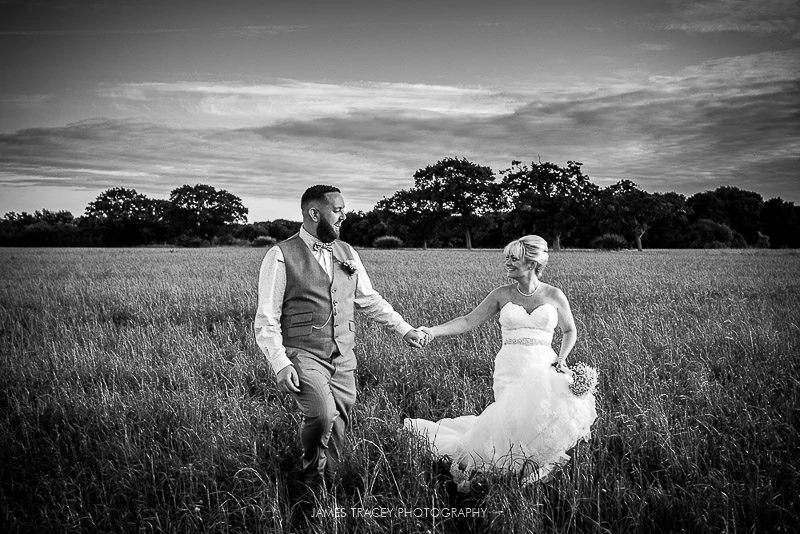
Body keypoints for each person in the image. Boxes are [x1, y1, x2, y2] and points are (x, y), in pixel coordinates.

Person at [254, 185, 427, 492]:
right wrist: (280, 363)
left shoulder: (348, 253)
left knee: (339, 424)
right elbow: (266, 319)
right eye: (338, 210)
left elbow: (369, 299)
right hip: (303, 354)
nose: (344, 215)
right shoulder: (280, 255)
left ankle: (327, 488)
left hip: (344, 355)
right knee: (321, 413)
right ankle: (310, 479)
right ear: (314, 213)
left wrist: (405, 329)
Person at [404, 235, 597, 491]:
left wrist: (562, 358)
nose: (507, 262)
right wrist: (431, 331)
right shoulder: (501, 294)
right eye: (506, 257)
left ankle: (529, 469)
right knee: (510, 418)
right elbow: (466, 321)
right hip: (510, 366)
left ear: (532, 262)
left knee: (540, 417)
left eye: (513, 258)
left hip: (544, 366)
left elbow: (569, 330)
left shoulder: (554, 295)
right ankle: (510, 466)